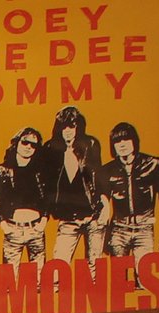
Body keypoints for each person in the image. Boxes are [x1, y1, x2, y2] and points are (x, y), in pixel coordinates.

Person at [99, 120, 159, 261]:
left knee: (144, 278)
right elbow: (102, 196)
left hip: (144, 228)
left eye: (126, 139)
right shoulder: (107, 170)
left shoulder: (153, 164)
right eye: (117, 141)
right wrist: (104, 204)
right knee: (119, 280)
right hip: (118, 230)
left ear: (134, 141)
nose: (122, 144)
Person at [41, 104, 107, 264]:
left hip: (93, 216)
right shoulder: (50, 149)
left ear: (79, 127)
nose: (68, 131)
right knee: (59, 266)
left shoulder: (90, 145)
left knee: (95, 269)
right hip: (68, 217)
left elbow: (98, 177)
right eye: (64, 127)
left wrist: (105, 205)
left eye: (72, 126)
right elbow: (45, 183)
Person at [0, 126, 49, 266]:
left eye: (33, 145)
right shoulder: (2, 170)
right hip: (13, 228)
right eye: (25, 142)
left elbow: (47, 197)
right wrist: (3, 224)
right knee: (10, 280)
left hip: (36, 229)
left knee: (39, 279)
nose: (28, 147)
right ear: (16, 143)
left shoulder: (40, 170)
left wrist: (44, 220)